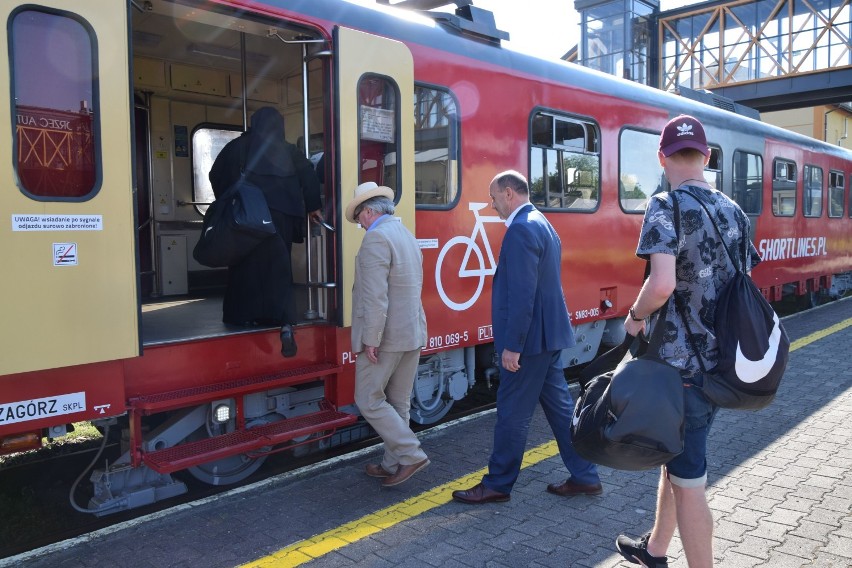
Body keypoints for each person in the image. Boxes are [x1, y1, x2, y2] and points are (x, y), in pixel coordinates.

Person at [615, 115, 760, 568]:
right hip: (723, 365)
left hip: (681, 371)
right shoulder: (733, 210)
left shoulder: (665, 206)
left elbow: (660, 285)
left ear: (662, 157)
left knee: (690, 480)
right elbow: (742, 284)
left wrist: (635, 318)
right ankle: (656, 550)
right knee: (675, 458)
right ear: (708, 157)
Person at [452, 170, 601, 505]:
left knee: (511, 413)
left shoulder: (520, 229)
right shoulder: (541, 222)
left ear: (508, 193)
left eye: (493, 198)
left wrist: (512, 347)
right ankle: (586, 475)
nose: (492, 206)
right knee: (561, 411)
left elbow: (522, 296)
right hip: (548, 338)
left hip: (530, 342)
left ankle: (498, 484)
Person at [208, 107, 323, 357]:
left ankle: (243, 317)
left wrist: (231, 200)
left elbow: (215, 174)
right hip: (280, 218)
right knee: (278, 267)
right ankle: (283, 323)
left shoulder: (238, 147)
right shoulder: (289, 150)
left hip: (246, 218)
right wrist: (313, 207)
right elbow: (309, 179)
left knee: (244, 266)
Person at [346, 181, 429, 487]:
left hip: (387, 337)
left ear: (369, 211)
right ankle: (392, 463)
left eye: (359, 218)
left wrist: (371, 338)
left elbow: (375, 297)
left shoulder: (376, 239)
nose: (359, 224)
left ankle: (410, 455)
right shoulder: (405, 235)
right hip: (412, 331)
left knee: (367, 398)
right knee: (399, 402)